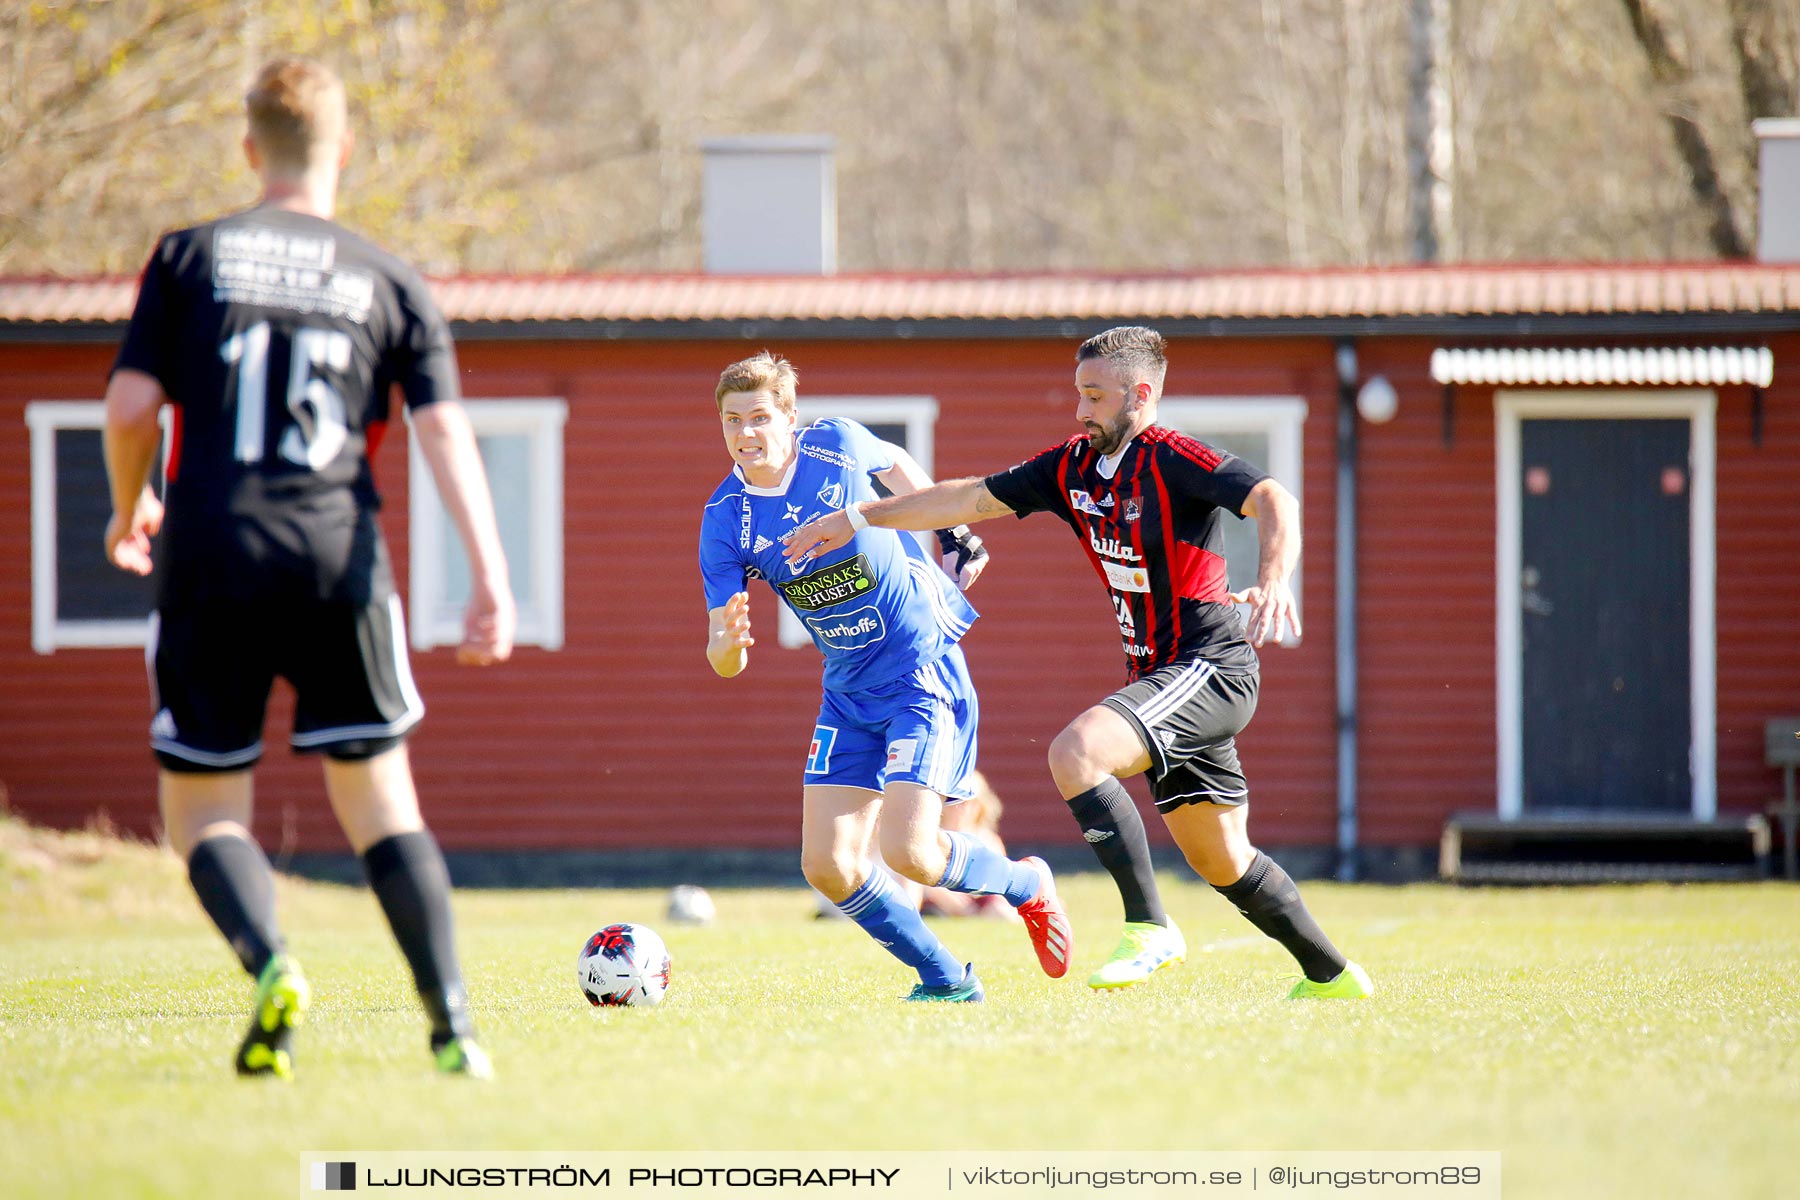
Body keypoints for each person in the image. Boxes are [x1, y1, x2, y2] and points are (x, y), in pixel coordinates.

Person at [102, 57, 514, 1079]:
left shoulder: (189, 259)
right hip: (340, 557)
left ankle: (272, 959)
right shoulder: (390, 279)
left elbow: (125, 409)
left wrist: (127, 506)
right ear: (344, 152)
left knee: (202, 811)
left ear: (250, 150)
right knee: (381, 804)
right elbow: (446, 435)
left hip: (211, 551)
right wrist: (492, 577)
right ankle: (453, 1022)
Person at [784, 326, 1372, 998]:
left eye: (1094, 396)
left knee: (1075, 753)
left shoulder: (1172, 457)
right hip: (1160, 680)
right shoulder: (1071, 468)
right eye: (1078, 394)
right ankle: (1333, 975)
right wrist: (860, 518)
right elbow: (965, 496)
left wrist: (1273, 581)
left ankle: (1149, 928)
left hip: (1209, 665)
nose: (1080, 409)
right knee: (1221, 857)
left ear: (1140, 393)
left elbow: (1275, 499)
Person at [700, 351, 1071, 1001]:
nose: (746, 434)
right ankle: (946, 979)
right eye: (732, 420)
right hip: (846, 693)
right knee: (828, 866)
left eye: (760, 417)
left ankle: (1027, 885)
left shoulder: (836, 445)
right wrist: (727, 645)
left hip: (921, 673)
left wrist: (950, 527)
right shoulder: (726, 518)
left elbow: (895, 464)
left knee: (912, 854)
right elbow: (724, 660)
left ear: (790, 417)